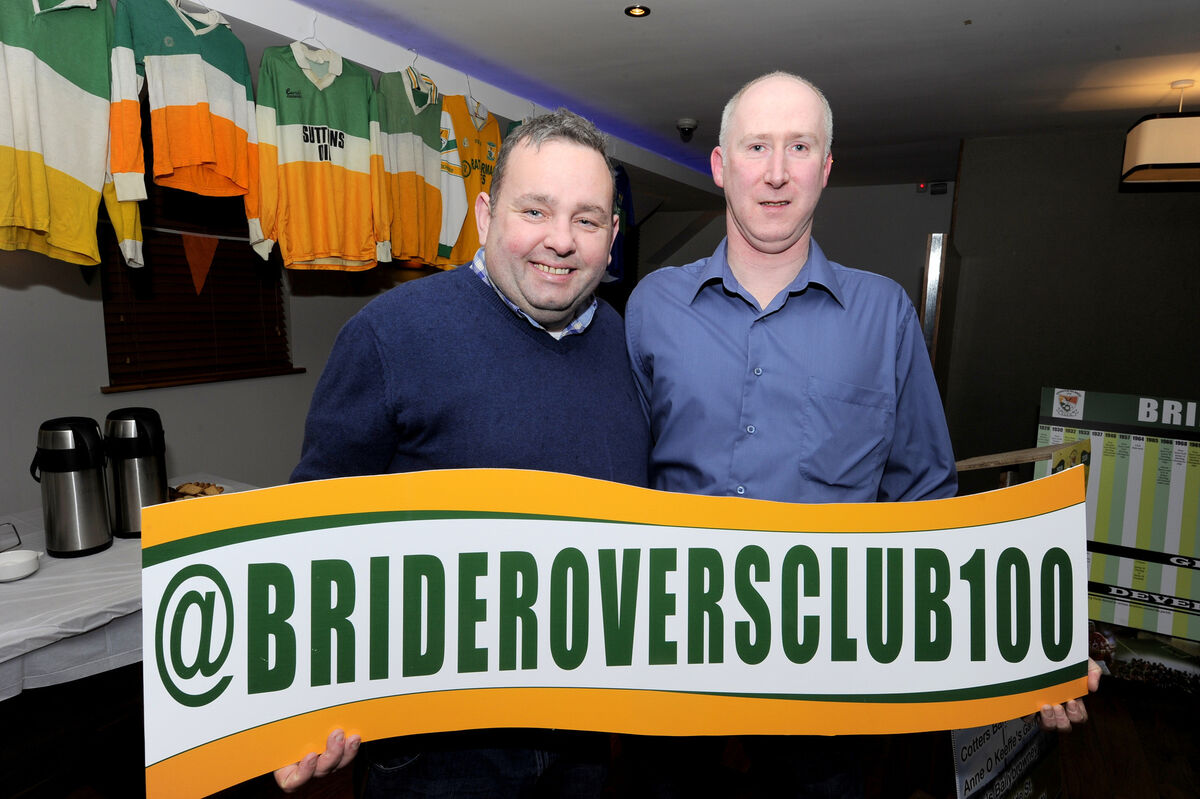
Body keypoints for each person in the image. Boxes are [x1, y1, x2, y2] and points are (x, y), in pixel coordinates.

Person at [623, 71, 1098, 797]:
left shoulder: (885, 315)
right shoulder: (653, 305)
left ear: (825, 168)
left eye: (799, 147)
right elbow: (612, 475)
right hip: (669, 654)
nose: (776, 172)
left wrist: (1017, 651)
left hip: (824, 668)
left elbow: (925, 500)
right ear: (720, 165)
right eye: (756, 146)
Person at [277, 108, 650, 797]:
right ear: (485, 214)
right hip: (437, 753)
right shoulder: (390, 335)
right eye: (535, 210)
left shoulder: (628, 346)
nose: (561, 239)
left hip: (582, 740)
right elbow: (312, 535)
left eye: (588, 219)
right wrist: (300, 712)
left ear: (612, 237)